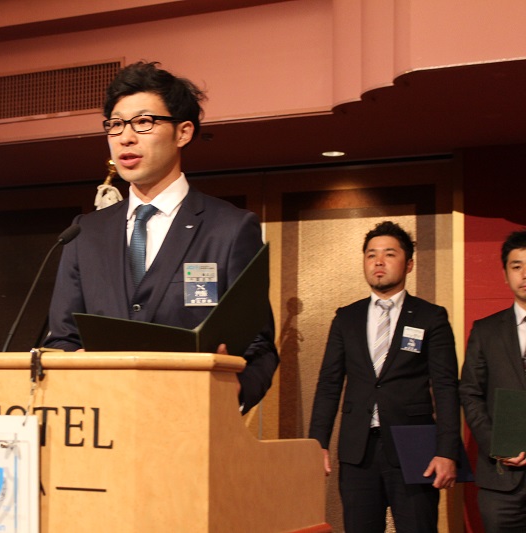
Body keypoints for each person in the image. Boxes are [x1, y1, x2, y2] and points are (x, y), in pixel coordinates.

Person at [43, 61, 278, 413]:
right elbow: (62, 338)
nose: (125, 137)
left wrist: (232, 393)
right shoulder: (84, 233)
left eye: (143, 122)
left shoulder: (230, 228)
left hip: (190, 420)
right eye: (116, 124)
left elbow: (259, 344)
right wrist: (74, 366)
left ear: (183, 133)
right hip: (100, 420)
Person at [308, 221, 460, 532]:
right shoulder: (346, 318)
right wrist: (317, 444)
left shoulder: (431, 316)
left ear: (409, 264)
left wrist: (447, 451)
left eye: (389, 254)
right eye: (371, 255)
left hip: (415, 449)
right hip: (358, 451)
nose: (378, 261)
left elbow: (446, 387)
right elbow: (328, 385)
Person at [460, 230, 526, 532]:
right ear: (505, 275)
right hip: (500, 479)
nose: (524, 274)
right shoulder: (485, 331)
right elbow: (470, 393)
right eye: (516, 266)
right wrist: (496, 444)